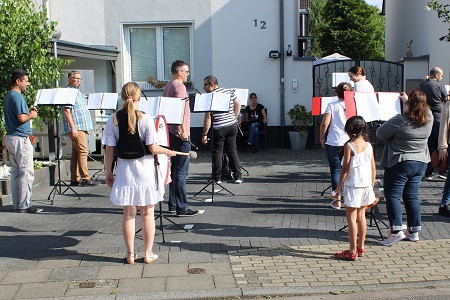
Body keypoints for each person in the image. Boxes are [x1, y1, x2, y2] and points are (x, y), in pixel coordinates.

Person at [103, 82, 176, 264]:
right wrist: (167, 151)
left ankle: (130, 255)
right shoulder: (146, 119)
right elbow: (152, 147)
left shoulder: (113, 119)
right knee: (147, 213)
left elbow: (109, 151)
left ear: (122, 97)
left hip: (125, 171)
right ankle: (148, 253)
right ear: (138, 98)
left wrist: (108, 173)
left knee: (128, 214)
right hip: (144, 171)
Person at [376, 90, 432, 246]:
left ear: (410, 104)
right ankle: (414, 231)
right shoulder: (429, 117)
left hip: (401, 162)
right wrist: (409, 100)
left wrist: (407, 102)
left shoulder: (400, 120)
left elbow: (380, 133)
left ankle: (395, 231)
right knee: (411, 196)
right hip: (421, 162)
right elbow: (424, 108)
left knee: (393, 195)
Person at [332, 116, 376, 260]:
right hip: (365, 185)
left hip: (353, 185)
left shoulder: (349, 146)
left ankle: (352, 251)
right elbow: (373, 168)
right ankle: (361, 247)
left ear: (350, 130)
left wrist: (337, 189)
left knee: (351, 218)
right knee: (361, 217)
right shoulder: (369, 145)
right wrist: (371, 185)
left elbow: (345, 169)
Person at [162, 60, 199, 216]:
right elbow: (181, 110)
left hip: (170, 133)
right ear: (179, 72)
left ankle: (172, 204)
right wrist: (183, 131)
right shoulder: (180, 87)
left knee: (174, 171)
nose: (187, 74)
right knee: (181, 172)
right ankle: (182, 207)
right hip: (180, 133)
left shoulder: (169, 86)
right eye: (186, 71)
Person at [4, 69, 42, 213]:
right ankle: (25, 204)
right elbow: (21, 118)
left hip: (11, 136)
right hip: (20, 138)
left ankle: (17, 204)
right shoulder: (18, 96)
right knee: (26, 171)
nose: (27, 83)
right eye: (25, 81)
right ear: (18, 81)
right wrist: (31, 115)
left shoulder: (9, 96)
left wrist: (28, 114)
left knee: (16, 172)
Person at [201, 75, 243, 184]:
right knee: (232, 150)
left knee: (217, 152)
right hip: (232, 126)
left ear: (211, 84)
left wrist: (204, 134)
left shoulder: (210, 96)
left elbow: (208, 117)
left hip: (219, 127)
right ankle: (238, 176)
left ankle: (217, 178)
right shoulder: (229, 91)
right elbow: (238, 103)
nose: (203, 87)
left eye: (205, 85)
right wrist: (235, 117)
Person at [319, 82, 353, 209]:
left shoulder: (332, 105)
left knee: (336, 171)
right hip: (350, 141)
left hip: (334, 142)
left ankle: (337, 200)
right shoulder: (353, 105)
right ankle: (350, 198)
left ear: (337, 93)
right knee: (350, 170)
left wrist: (322, 137)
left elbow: (324, 123)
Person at [62, 70, 97, 187]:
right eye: (75, 78)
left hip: (81, 127)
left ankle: (74, 178)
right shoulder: (68, 92)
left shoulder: (77, 92)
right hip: (76, 127)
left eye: (79, 78)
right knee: (83, 151)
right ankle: (85, 177)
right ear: (69, 79)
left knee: (76, 153)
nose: (77, 80)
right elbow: (66, 111)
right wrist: (73, 128)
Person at [419, 67, 449, 179]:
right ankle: (442, 170)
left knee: (428, 145)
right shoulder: (439, 86)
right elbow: (446, 99)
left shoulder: (422, 85)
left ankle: (428, 171)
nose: (441, 78)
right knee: (440, 144)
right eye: (441, 76)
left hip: (426, 117)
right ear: (436, 75)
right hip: (438, 117)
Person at [437, 99, 450, 217]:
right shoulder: (448, 106)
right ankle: (444, 204)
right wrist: (442, 147)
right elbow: (443, 127)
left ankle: (444, 204)